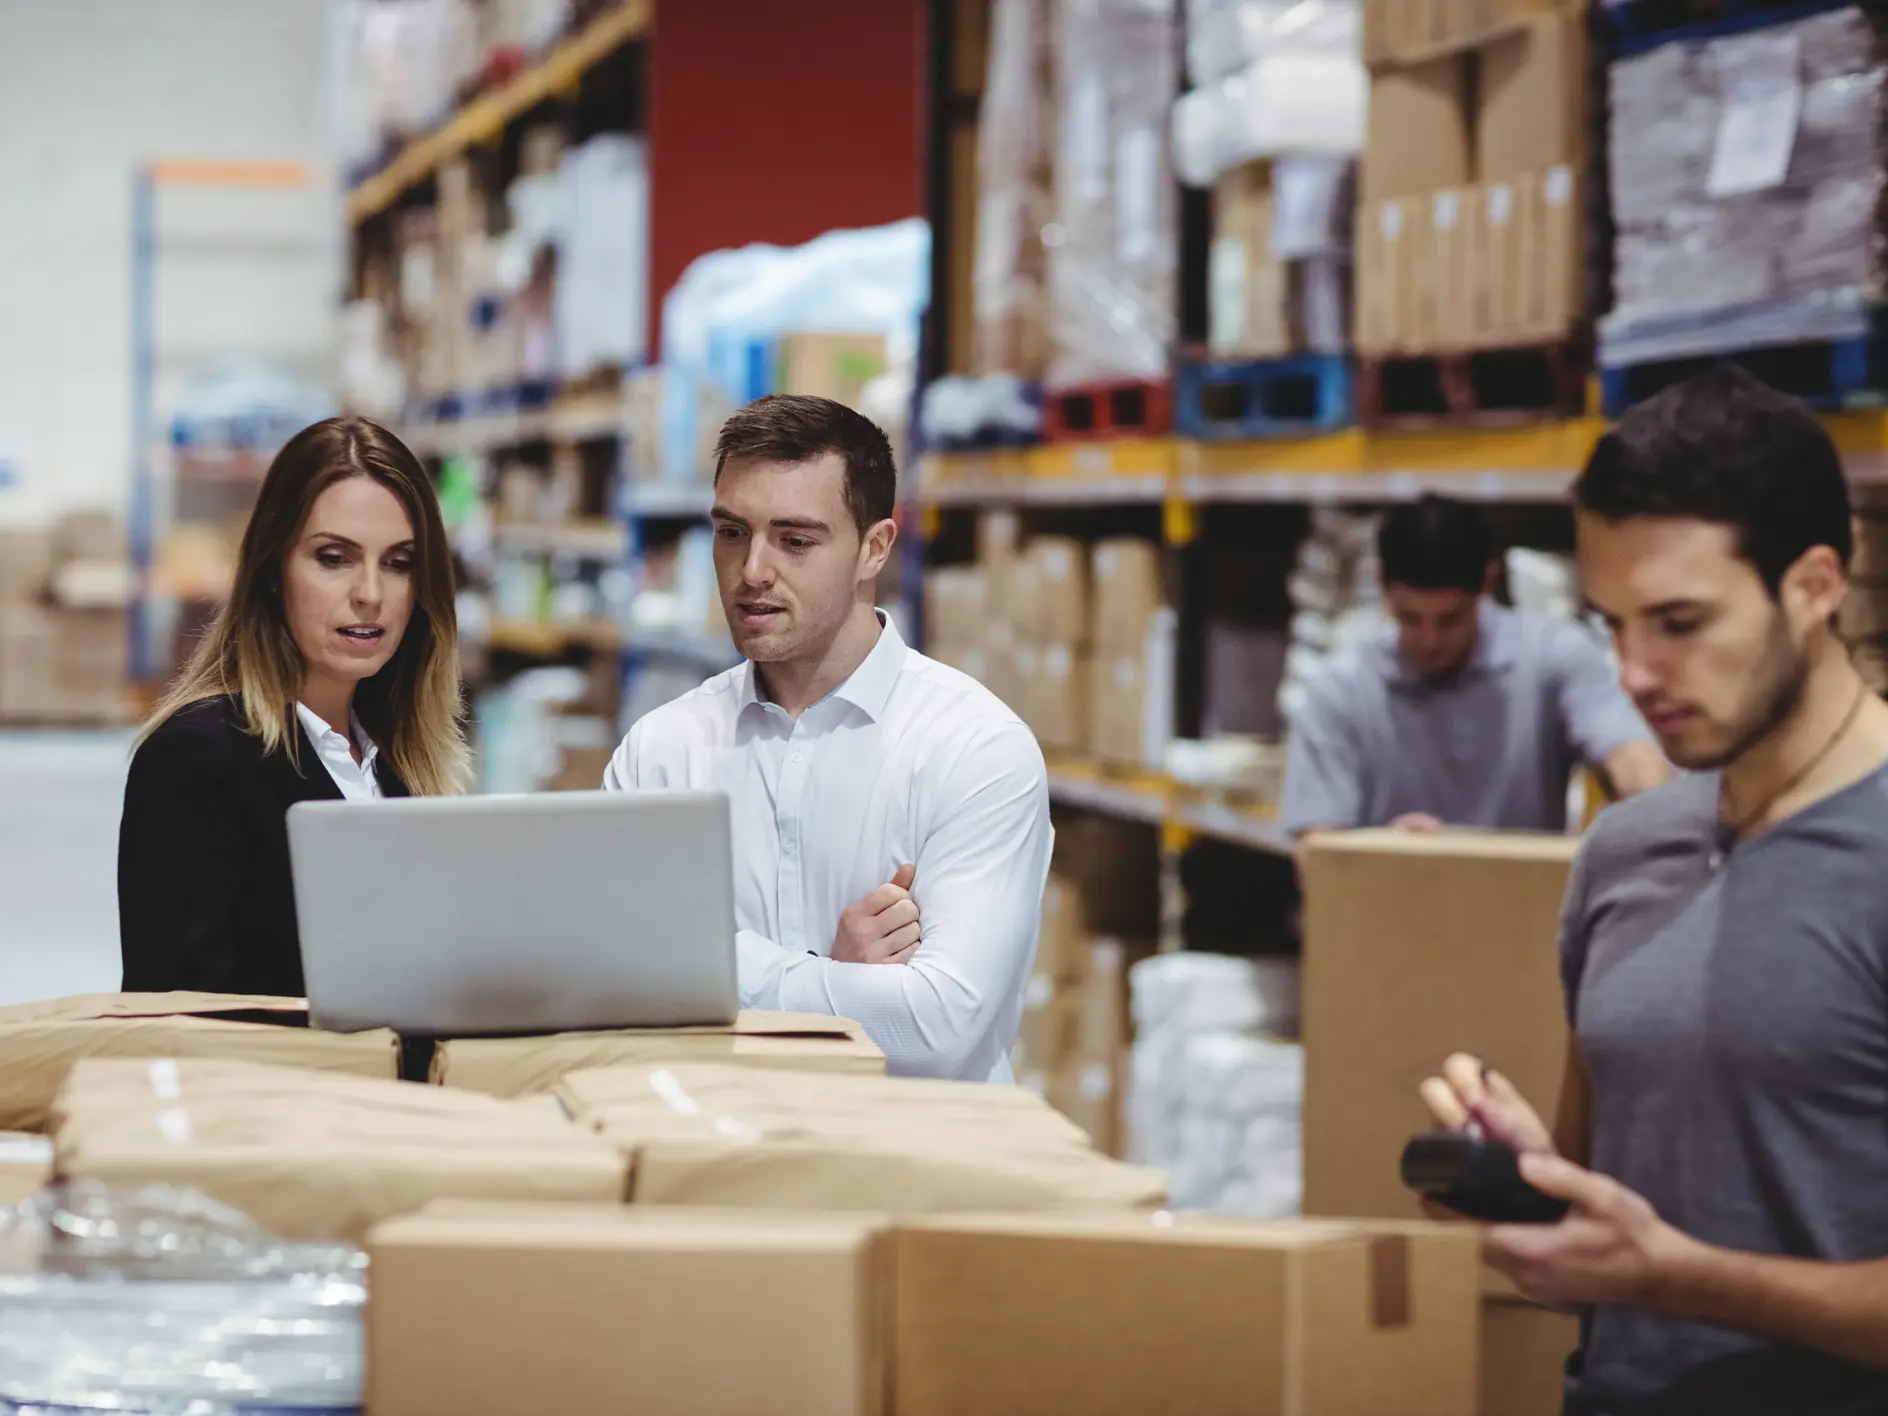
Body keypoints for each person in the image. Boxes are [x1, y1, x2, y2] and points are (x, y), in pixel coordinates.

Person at [1421, 366, 1888, 1414]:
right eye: (1611, 625)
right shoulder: (1624, 849)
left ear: (1814, 587)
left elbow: (1658, 1262)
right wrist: (1535, 1185)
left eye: (1677, 622)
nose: (1632, 673)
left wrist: (1676, 1276)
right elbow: (1610, 1199)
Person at [603, 394, 1052, 1082]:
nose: (753, 570)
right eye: (731, 532)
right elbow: (610, 984)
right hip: (715, 1164)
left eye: (796, 541)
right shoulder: (662, 751)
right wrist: (833, 981)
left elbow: (939, 1027)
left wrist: (705, 968)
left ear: (874, 548)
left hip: (913, 1181)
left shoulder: (975, 749)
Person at [119, 416, 468, 996]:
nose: (371, 595)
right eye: (334, 558)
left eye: (399, 563)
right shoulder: (195, 760)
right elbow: (176, 1023)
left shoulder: (403, 766)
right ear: (273, 569)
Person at [1279, 494, 1667, 836]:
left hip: (1522, 911)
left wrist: (1648, 800)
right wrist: (1384, 856)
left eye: (1449, 619)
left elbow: (1630, 754)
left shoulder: (1554, 656)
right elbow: (1317, 849)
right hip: (1381, 911)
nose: (1430, 641)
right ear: (1380, 581)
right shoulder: (1339, 690)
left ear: (1487, 582)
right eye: (1410, 618)